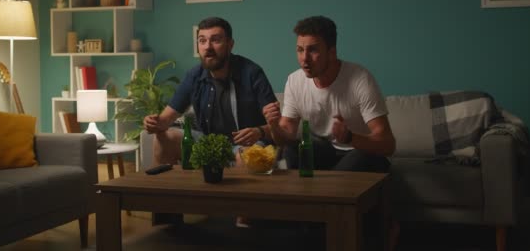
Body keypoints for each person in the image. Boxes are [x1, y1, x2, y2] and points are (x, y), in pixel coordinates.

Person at [144, 17, 277, 228]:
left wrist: (259, 130)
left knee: (246, 155)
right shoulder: (194, 75)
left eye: (215, 40)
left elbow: (277, 126)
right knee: (165, 138)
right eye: (202, 40)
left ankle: (244, 219)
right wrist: (154, 122)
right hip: (208, 142)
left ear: (230, 44)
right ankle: (167, 215)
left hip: (246, 143)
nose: (208, 47)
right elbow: (166, 119)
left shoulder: (252, 72)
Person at [263, 15, 395, 171]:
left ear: (332, 52)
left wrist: (349, 137)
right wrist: (274, 126)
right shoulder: (294, 80)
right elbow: (285, 138)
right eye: (300, 50)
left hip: (360, 151)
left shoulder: (360, 79)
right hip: (326, 152)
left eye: (312, 50)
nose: (304, 59)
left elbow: (388, 144)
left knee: (354, 162)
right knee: (293, 151)